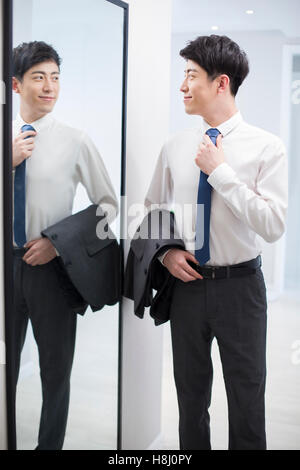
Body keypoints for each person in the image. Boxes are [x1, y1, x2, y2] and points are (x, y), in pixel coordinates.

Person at [145, 35, 288, 450]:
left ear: (221, 82)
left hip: (241, 289)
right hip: (186, 287)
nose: (182, 86)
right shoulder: (174, 145)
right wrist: (168, 253)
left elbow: (274, 225)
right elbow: (151, 208)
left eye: (190, 75)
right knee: (190, 401)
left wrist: (221, 173)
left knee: (246, 401)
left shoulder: (267, 146)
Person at [11, 41, 118, 450]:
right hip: (5, 269)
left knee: (56, 373)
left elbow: (109, 207)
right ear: (16, 85)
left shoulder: (75, 140)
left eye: (55, 77)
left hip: (51, 271)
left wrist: (58, 244)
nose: (49, 86)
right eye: (39, 77)